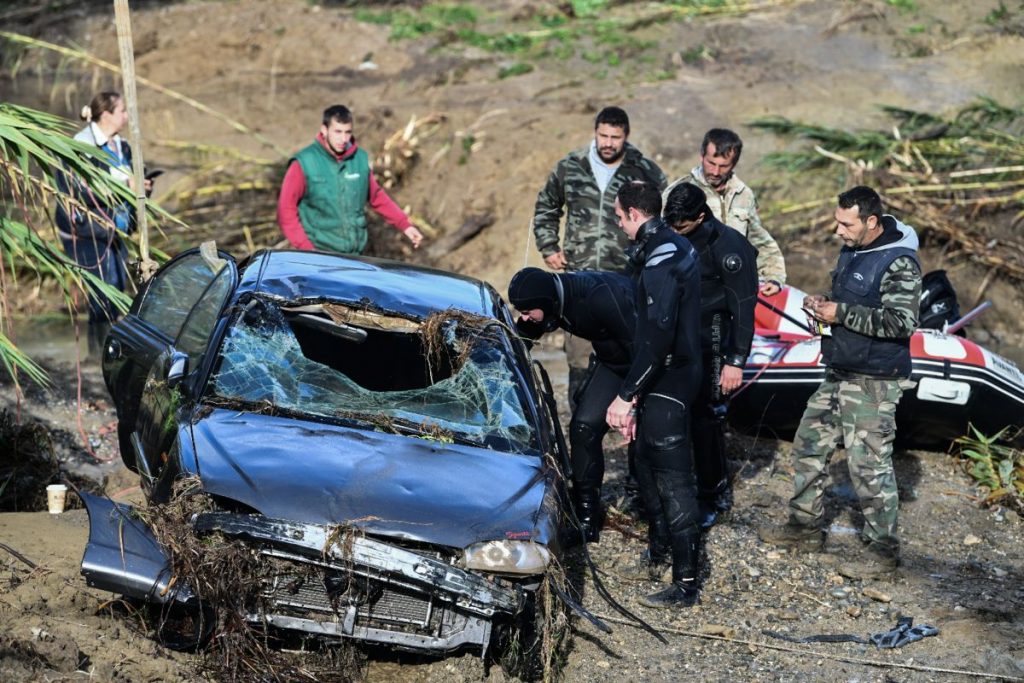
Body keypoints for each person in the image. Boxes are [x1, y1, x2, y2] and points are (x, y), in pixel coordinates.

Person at [758, 186, 922, 581]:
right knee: (808, 445)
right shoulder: (852, 248)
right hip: (839, 370)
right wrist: (822, 304)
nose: (838, 230)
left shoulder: (900, 262)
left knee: (868, 466)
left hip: (874, 380)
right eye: (837, 222)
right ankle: (804, 528)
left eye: (845, 224)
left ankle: (883, 554)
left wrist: (841, 313)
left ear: (871, 222)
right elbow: (847, 299)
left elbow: (902, 322)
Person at [605, 181, 704, 608]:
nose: (617, 224)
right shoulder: (665, 244)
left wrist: (626, 395)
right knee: (644, 463)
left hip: (673, 375)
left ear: (634, 214)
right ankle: (658, 552)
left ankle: (686, 583)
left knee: (672, 477)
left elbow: (659, 335)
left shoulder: (662, 256)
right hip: (664, 372)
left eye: (618, 216)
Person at [532, 106, 667, 403]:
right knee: (579, 359)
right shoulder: (571, 166)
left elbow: (662, 218)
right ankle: (580, 418)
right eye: (603, 136)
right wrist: (549, 246)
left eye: (615, 137)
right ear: (595, 132)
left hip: (625, 280)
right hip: (579, 280)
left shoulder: (644, 170)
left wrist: (647, 258)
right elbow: (546, 206)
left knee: (627, 351)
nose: (608, 143)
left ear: (626, 136)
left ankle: (626, 415)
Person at [508, 267, 637, 543]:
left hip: (648, 363)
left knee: (649, 438)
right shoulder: (550, 304)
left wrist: (631, 400)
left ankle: (658, 513)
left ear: (545, 301)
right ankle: (586, 520)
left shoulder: (599, 297)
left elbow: (642, 348)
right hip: (613, 363)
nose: (524, 316)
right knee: (583, 428)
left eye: (527, 311)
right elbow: (521, 337)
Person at [663, 183, 759, 529]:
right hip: (677, 334)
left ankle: (713, 493)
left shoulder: (730, 247)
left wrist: (736, 361)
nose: (675, 233)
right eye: (671, 226)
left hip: (715, 334)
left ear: (701, 217)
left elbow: (744, 308)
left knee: (707, 417)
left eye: (682, 227)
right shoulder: (668, 234)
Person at [55, 91, 151, 356]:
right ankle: (97, 354)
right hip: (87, 230)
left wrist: (143, 186)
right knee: (102, 290)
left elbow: (134, 179)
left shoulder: (123, 147)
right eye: (122, 111)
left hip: (116, 227)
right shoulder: (81, 147)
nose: (126, 116)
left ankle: (109, 352)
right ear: (106, 115)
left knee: (117, 285)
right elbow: (77, 189)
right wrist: (125, 184)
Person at [277, 104, 423, 255]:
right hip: (319, 254)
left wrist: (405, 225)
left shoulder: (359, 159)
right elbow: (286, 210)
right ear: (324, 130)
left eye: (347, 132)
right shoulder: (303, 163)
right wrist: (307, 249)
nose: (343, 139)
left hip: (355, 255)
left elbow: (377, 197)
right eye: (338, 132)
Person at [663, 128, 786, 295]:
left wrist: (774, 277)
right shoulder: (679, 192)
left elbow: (758, 239)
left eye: (723, 166)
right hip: (691, 290)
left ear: (734, 164)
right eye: (711, 163)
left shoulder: (744, 195)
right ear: (702, 156)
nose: (715, 172)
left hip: (732, 289)